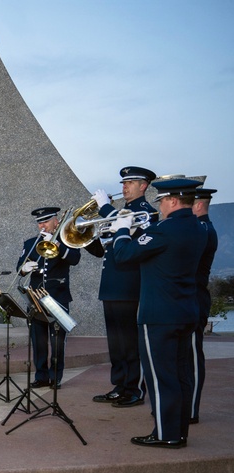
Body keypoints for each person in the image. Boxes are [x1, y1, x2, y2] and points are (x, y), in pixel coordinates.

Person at [111, 177, 208, 448]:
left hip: (158, 316)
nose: (161, 205)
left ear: (173, 200)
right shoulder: (199, 228)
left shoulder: (164, 230)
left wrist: (121, 230)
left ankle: (166, 435)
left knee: (160, 377)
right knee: (181, 375)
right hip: (186, 311)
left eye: (163, 200)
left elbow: (124, 255)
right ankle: (179, 432)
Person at [86, 166, 158, 407]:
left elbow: (130, 239)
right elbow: (100, 251)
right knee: (116, 343)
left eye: (130, 183)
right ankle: (120, 385)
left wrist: (105, 208)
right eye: (124, 183)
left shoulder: (146, 213)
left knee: (130, 341)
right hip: (111, 287)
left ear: (144, 186)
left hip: (130, 287)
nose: (124, 187)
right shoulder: (118, 215)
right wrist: (84, 235)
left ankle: (135, 389)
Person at [17, 207, 81, 388]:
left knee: (57, 340)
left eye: (45, 221)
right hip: (36, 299)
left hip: (58, 298)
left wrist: (59, 247)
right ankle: (41, 376)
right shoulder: (31, 243)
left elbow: (75, 259)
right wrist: (24, 268)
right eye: (39, 222)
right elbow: (19, 268)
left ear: (56, 221)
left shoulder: (66, 240)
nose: (42, 226)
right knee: (38, 341)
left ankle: (55, 377)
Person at [190, 185, 218, 424]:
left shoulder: (204, 230)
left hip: (195, 297)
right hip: (187, 297)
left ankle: (191, 409)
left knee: (192, 357)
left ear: (199, 205)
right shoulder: (196, 229)